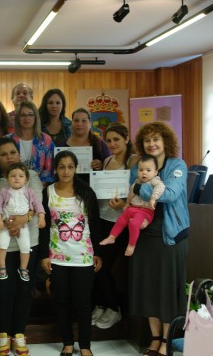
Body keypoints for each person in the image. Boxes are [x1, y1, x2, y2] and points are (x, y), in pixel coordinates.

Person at [129, 121, 189, 356]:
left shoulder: (177, 165)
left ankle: (167, 341)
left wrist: (139, 189)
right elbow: (131, 193)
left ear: (166, 141)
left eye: (156, 139)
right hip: (144, 236)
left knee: (167, 292)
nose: (151, 144)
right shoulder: (139, 165)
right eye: (147, 140)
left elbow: (171, 194)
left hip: (170, 237)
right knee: (149, 291)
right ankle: (154, 339)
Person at [0, 137, 43, 356]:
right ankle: (3, 334)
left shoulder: (32, 176)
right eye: (3, 154)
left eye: (12, 153)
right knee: (4, 290)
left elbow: (36, 201)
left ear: (19, 155)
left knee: (23, 289)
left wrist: (22, 220)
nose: (9, 157)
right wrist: (13, 222)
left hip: (28, 242)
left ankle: (19, 334)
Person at [40, 150, 102, 356]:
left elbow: (95, 225)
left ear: (76, 168)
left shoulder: (86, 192)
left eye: (70, 167)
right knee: (61, 302)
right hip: (57, 256)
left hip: (83, 256)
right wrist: (44, 255)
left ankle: (85, 346)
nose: (66, 171)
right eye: (62, 167)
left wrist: (98, 252)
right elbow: (42, 227)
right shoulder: (47, 192)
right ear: (55, 169)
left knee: (83, 303)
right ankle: (67, 343)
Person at [91, 123, 139, 329]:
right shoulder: (108, 160)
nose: (112, 144)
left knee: (103, 267)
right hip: (102, 219)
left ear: (127, 139)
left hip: (120, 223)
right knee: (94, 265)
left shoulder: (134, 160)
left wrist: (124, 205)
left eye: (116, 139)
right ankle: (101, 304)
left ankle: (114, 308)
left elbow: (140, 192)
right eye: (109, 140)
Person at [100, 155, 165, 256]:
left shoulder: (154, 181)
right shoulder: (137, 181)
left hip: (145, 211)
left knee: (133, 224)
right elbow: (131, 192)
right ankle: (112, 237)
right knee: (121, 219)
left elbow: (160, 188)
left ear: (156, 172)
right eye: (141, 170)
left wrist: (153, 199)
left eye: (148, 170)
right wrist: (127, 203)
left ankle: (131, 245)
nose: (144, 172)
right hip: (133, 208)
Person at [0, 162, 45, 282]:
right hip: (6, 221)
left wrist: (41, 217)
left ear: (26, 179)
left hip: (23, 224)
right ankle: (2, 267)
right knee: (2, 244)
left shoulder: (29, 192)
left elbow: (38, 205)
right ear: (7, 178)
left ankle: (23, 268)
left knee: (26, 246)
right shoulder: (4, 191)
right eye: (13, 176)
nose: (17, 178)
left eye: (21, 176)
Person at [7, 100, 54, 184]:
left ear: (35, 117)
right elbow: (0, 166)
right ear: (18, 118)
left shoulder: (46, 140)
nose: (27, 118)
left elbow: (49, 169)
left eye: (30, 114)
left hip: (39, 186)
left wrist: (39, 185)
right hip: (12, 186)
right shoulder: (8, 140)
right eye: (23, 115)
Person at [59, 108, 110, 172]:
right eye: (76, 120)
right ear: (72, 123)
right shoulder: (61, 146)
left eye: (84, 121)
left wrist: (102, 165)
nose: (79, 124)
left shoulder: (101, 145)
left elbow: (110, 168)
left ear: (90, 123)